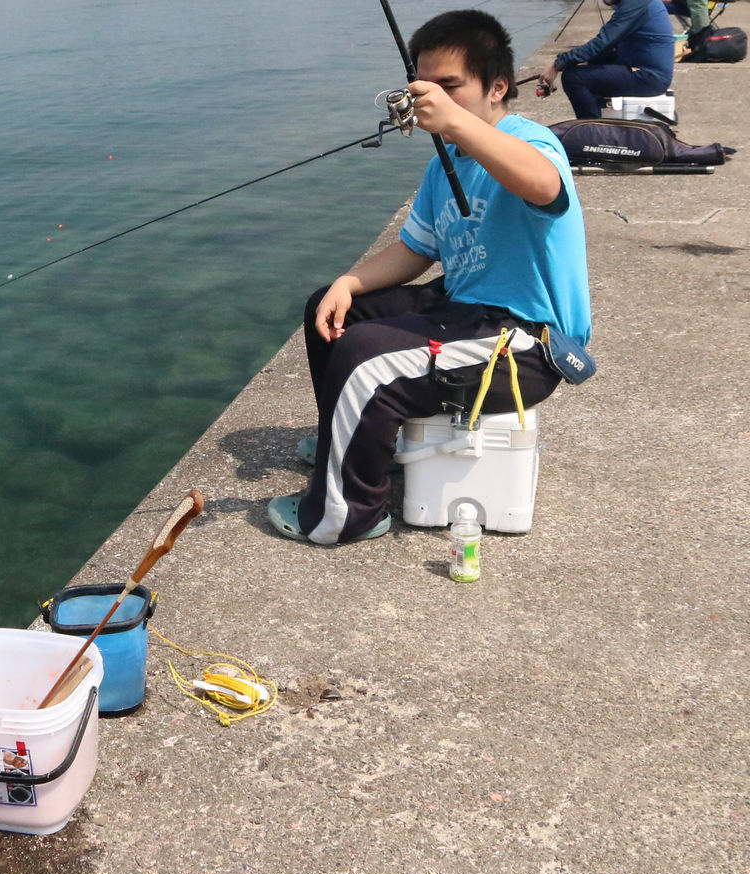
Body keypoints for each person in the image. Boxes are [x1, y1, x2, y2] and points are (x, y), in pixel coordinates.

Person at [267, 9, 591, 546]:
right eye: (426, 87)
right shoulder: (445, 162)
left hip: (526, 342)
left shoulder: (529, 140)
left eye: (451, 87)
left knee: (366, 357)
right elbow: (415, 249)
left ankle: (342, 517)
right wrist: (347, 283)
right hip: (464, 308)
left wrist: (457, 122)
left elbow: (541, 185)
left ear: (497, 87)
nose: (434, 100)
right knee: (330, 307)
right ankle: (348, 445)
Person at [537, 0, 674, 119]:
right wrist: (580, 62)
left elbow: (602, 43)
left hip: (650, 76)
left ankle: (592, 133)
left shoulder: (636, 3)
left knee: (574, 78)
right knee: (584, 69)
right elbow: (609, 47)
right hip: (642, 68)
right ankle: (601, 122)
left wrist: (557, 64)